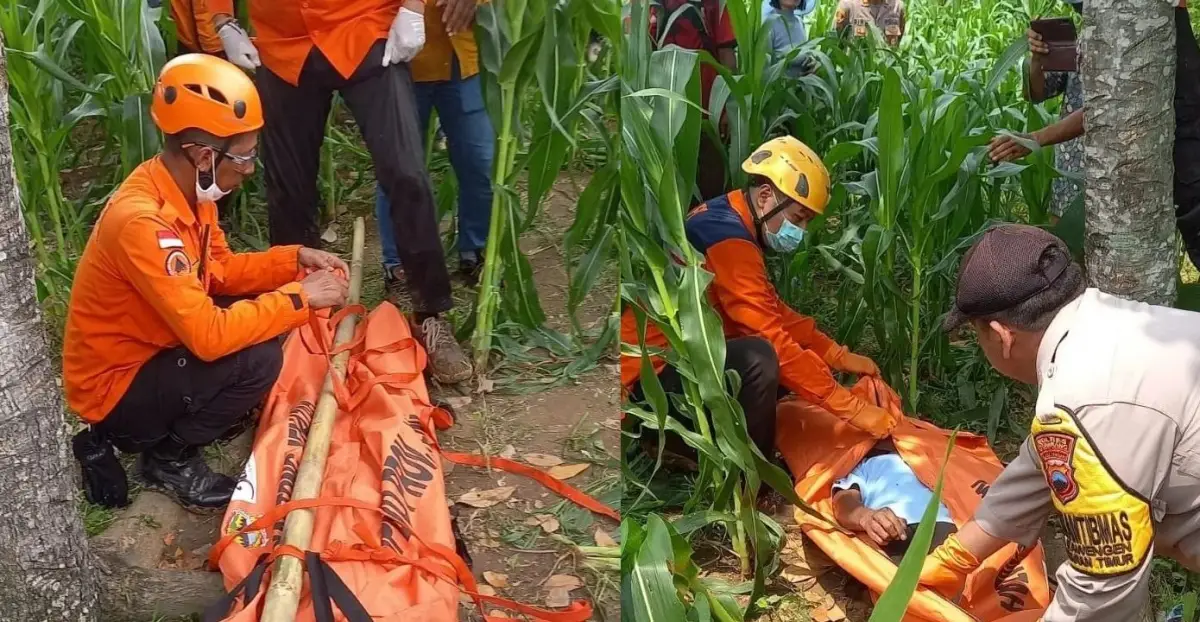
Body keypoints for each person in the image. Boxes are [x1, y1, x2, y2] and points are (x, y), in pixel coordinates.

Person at [64, 55, 350, 513]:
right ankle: (168, 457)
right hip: (116, 391)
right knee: (256, 359)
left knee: (262, 311)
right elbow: (209, 337)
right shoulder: (143, 223)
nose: (251, 169)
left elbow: (219, 271)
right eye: (245, 156)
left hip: (153, 349)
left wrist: (290, 261)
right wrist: (300, 297)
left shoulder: (189, 193)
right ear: (203, 156)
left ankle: (190, 420)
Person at [918, 223, 1200, 619]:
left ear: (1001, 335)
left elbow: (1103, 590)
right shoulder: (1109, 327)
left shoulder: (1086, 397)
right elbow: (1044, 465)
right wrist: (958, 556)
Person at [203, 0, 473, 383]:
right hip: (284, 43)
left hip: (363, 27)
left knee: (406, 173)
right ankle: (299, 312)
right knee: (288, 186)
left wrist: (413, 9)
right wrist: (223, 19)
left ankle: (429, 312)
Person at [621, 136, 898, 460]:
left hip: (673, 363)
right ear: (766, 196)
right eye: (797, 218)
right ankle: (747, 469)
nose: (800, 231)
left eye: (807, 222)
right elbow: (768, 334)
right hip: (646, 386)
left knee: (782, 366)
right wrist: (848, 406)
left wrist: (833, 353)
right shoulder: (728, 239)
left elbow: (769, 307)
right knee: (760, 359)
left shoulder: (728, 215)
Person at [989, 0, 1200, 267]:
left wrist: (1036, 138)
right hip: (1070, 167)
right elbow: (1035, 94)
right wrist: (1037, 59)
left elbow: (1107, 107)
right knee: (1066, 268)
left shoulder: (1143, 38)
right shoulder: (1078, 39)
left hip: (1115, 170)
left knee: (1113, 267)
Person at [375, 0, 495, 293]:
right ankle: (399, 264)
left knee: (480, 161)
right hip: (399, 54)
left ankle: (475, 252)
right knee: (398, 168)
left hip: (463, 56)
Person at [648, 0, 738, 201]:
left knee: (711, 179)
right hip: (664, 108)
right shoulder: (650, 5)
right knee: (669, 179)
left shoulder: (714, 4)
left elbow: (726, 53)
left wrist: (728, 105)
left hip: (708, 108)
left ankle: (707, 226)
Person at [832, 438, 957, 563]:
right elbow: (843, 502)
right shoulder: (865, 465)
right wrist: (867, 517)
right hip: (895, 529)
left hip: (947, 527)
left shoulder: (933, 458)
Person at [765, 0, 818, 77]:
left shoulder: (799, 22)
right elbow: (764, 74)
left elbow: (803, 51)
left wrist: (811, 61)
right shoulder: (767, 25)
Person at [834, 0, 906, 47]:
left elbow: (899, 40)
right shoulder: (847, 5)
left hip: (886, 68)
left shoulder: (897, 6)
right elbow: (836, 40)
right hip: (858, 68)